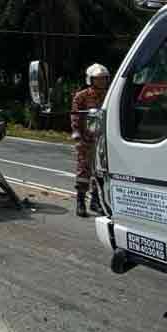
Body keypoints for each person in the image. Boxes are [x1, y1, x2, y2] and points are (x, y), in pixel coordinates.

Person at [72, 63, 110, 218]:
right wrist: (77, 135)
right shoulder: (81, 96)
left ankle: (96, 201)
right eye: (97, 79)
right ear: (91, 79)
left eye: (103, 79)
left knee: (100, 172)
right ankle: (80, 201)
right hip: (86, 139)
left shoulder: (110, 94)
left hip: (104, 140)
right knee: (84, 170)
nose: (101, 82)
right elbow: (75, 116)